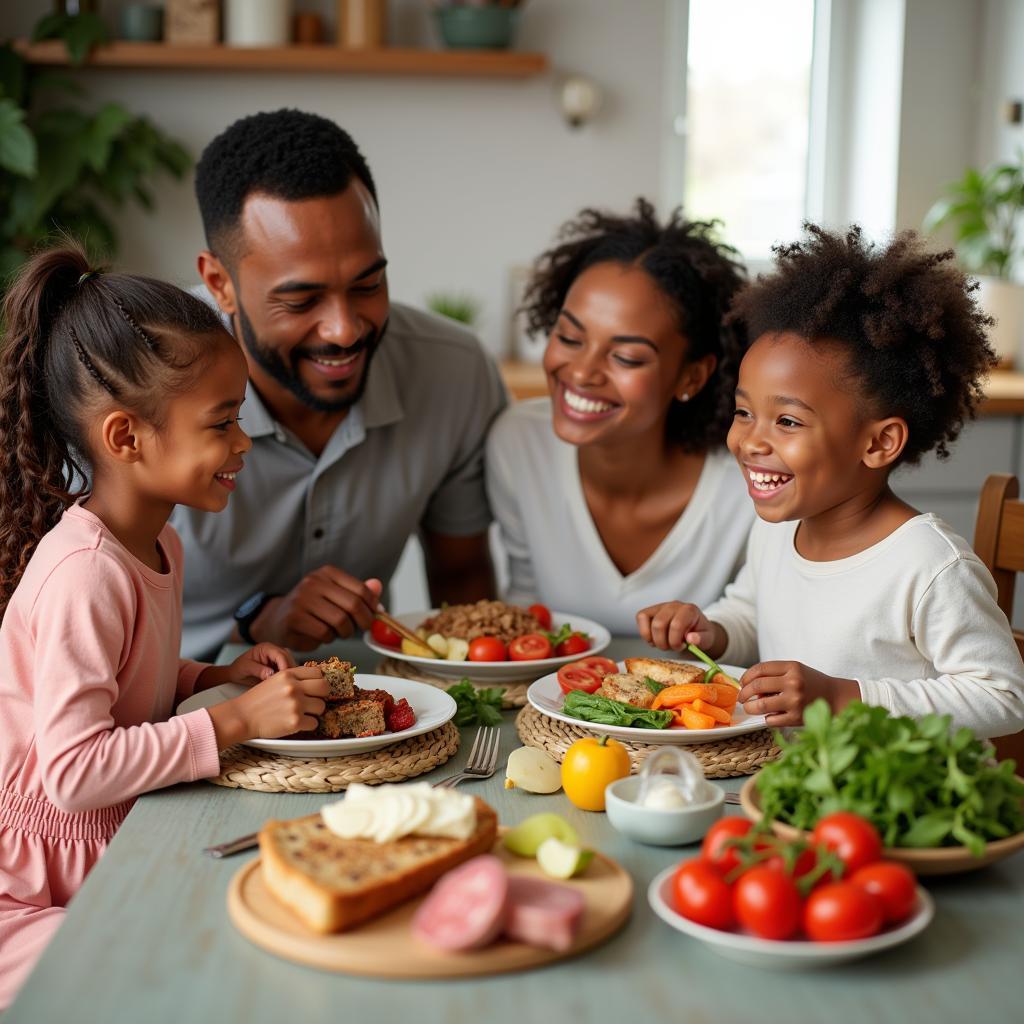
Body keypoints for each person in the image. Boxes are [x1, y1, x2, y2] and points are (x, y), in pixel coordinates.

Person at [0, 245, 331, 1008]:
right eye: (221, 423)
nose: (243, 443)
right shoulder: (85, 573)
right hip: (29, 890)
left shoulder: (158, 541)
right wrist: (236, 720)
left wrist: (211, 678)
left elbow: (127, 682)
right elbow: (75, 772)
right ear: (125, 437)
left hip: (109, 847)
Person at [637, 225, 1024, 739]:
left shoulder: (929, 565)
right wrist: (716, 631)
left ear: (879, 443)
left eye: (788, 422)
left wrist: (846, 698)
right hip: (792, 781)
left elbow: (1004, 695)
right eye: (744, 412)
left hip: (900, 805)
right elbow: (754, 611)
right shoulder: (778, 527)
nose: (750, 441)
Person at [178, 109, 507, 660]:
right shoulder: (135, 372)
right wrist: (258, 622)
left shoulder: (453, 371)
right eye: (301, 300)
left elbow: (462, 581)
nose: (345, 329)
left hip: (371, 709)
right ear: (220, 284)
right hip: (165, 714)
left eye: (367, 284)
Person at [486, 200, 754, 633]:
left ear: (692, 375)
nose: (581, 373)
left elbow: (757, 628)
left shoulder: (745, 483)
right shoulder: (519, 443)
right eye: (570, 337)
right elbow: (525, 618)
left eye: (626, 357)